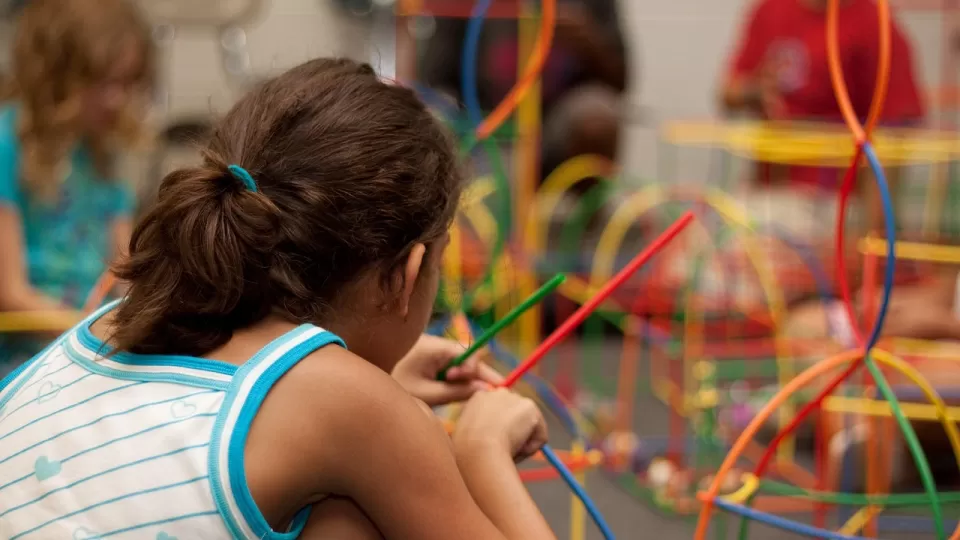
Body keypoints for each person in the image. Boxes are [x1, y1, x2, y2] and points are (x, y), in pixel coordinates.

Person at [0, 57, 557, 539]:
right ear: (409, 274)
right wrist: (482, 449)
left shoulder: (117, 319)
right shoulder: (356, 408)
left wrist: (380, 383)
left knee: (343, 513)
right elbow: (330, 405)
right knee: (357, 514)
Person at [0, 0, 153, 375]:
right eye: (104, 82)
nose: (118, 99)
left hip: (88, 343)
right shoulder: (7, 145)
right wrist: (98, 336)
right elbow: (9, 293)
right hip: (24, 359)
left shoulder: (104, 154)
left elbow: (125, 274)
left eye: (128, 82)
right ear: (57, 73)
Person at [420, 0, 629, 184]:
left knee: (596, 121)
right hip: (485, 123)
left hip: (558, 122)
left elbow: (620, 81)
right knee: (429, 118)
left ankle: (582, 222)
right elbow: (432, 76)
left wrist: (587, 39)